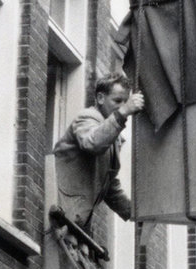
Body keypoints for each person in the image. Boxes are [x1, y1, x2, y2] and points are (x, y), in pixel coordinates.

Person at [53, 72, 144, 231]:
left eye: (125, 102)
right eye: (117, 101)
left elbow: (108, 186)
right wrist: (122, 113)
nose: (122, 106)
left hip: (75, 221)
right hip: (59, 215)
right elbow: (92, 143)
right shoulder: (87, 117)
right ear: (101, 98)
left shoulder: (113, 135)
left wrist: (135, 213)